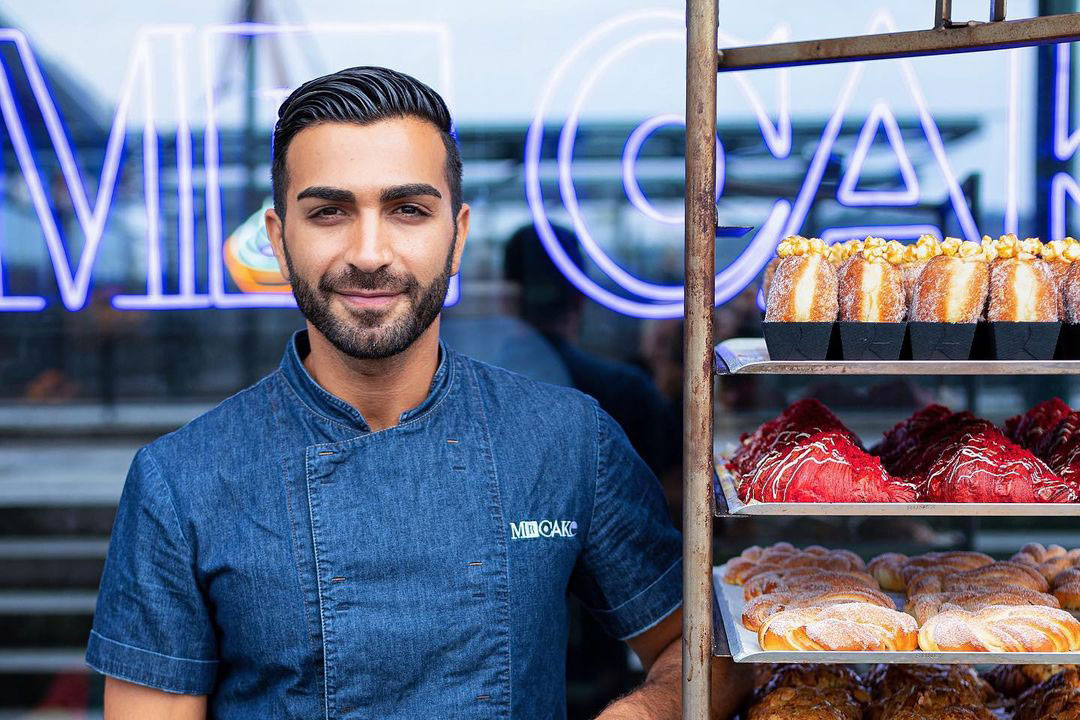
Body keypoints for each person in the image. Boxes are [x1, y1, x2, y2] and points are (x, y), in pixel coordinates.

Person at [85, 66, 748, 719]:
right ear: (279, 243)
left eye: (408, 210)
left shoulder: (566, 439)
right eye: (328, 212)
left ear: (457, 237)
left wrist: (637, 716)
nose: (369, 253)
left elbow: (709, 651)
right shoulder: (181, 482)